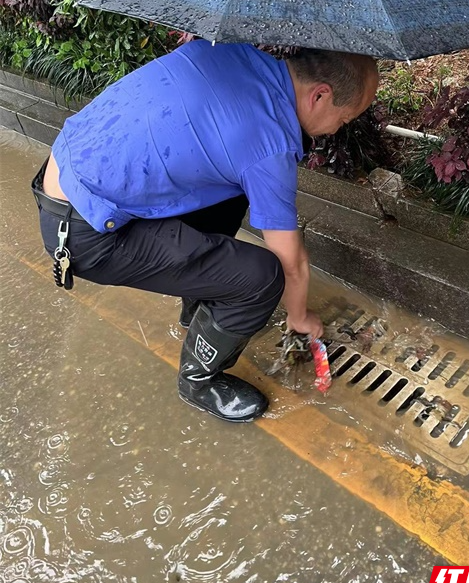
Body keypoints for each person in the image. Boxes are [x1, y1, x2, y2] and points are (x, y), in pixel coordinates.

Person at [31, 40, 379, 423]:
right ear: (320, 95)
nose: (335, 131)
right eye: (343, 120)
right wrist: (300, 317)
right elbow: (292, 262)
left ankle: (202, 307)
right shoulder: (268, 141)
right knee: (262, 278)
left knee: (229, 191)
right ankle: (199, 380)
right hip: (87, 233)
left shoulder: (233, 54)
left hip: (67, 172)